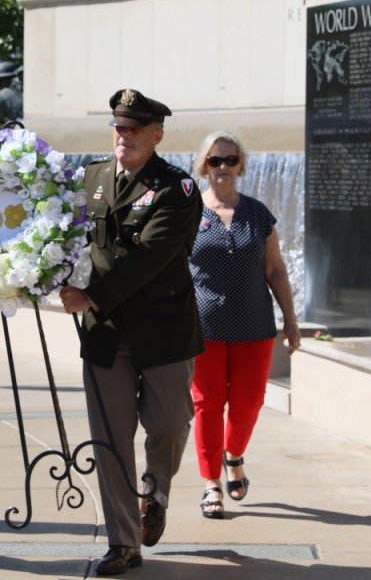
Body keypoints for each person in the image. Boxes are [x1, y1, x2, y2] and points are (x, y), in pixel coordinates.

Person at [59, 89, 204, 576]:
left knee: (168, 423)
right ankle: (124, 543)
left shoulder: (177, 189)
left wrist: (90, 295)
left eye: (134, 130)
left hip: (163, 327)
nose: (123, 137)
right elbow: (60, 232)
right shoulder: (92, 177)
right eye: (118, 128)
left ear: (157, 135)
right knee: (109, 440)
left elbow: (149, 258)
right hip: (105, 333)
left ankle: (155, 490)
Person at [188, 131, 300, 518]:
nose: (223, 167)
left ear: (240, 165)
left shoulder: (258, 213)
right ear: (204, 165)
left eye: (230, 160)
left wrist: (291, 319)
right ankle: (211, 484)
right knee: (207, 405)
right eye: (215, 160)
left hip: (255, 325)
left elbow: (275, 269)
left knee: (249, 402)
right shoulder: (188, 213)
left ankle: (233, 456)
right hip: (204, 328)